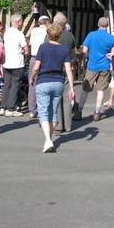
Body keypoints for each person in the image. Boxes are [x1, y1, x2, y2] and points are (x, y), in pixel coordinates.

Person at [30, 22, 75, 153]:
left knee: (43, 111)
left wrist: (32, 76)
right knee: (53, 112)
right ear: (60, 35)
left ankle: (48, 140)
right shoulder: (64, 50)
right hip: (58, 81)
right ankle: (48, 140)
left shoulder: (43, 48)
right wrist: (71, 87)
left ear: (48, 34)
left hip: (43, 80)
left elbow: (36, 66)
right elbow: (69, 69)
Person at [74, 17, 114, 122]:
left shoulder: (91, 35)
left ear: (98, 24)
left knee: (86, 89)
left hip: (92, 65)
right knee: (100, 90)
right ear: (107, 26)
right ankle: (97, 112)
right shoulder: (110, 37)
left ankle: (79, 111)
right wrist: (113, 53)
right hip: (104, 66)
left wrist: (87, 56)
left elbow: (85, 50)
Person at [0, 13, 28, 117]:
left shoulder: (6, 33)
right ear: (19, 22)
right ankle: (11, 108)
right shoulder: (19, 34)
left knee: (7, 84)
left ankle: (3, 107)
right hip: (17, 63)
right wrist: (24, 51)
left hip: (7, 62)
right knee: (15, 85)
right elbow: (26, 49)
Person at [53, 12, 76, 132]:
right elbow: (72, 54)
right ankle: (68, 125)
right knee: (67, 97)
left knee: (56, 96)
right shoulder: (70, 36)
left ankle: (59, 125)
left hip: (53, 68)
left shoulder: (49, 36)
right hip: (66, 67)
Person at [28, 16, 50, 119]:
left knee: (32, 83)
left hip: (33, 57)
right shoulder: (48, 31)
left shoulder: (34, 30)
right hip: (44, 58)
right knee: (44, 83)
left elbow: (31, 43)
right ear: (46, 22)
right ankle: (43, 109)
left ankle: (32, 110)